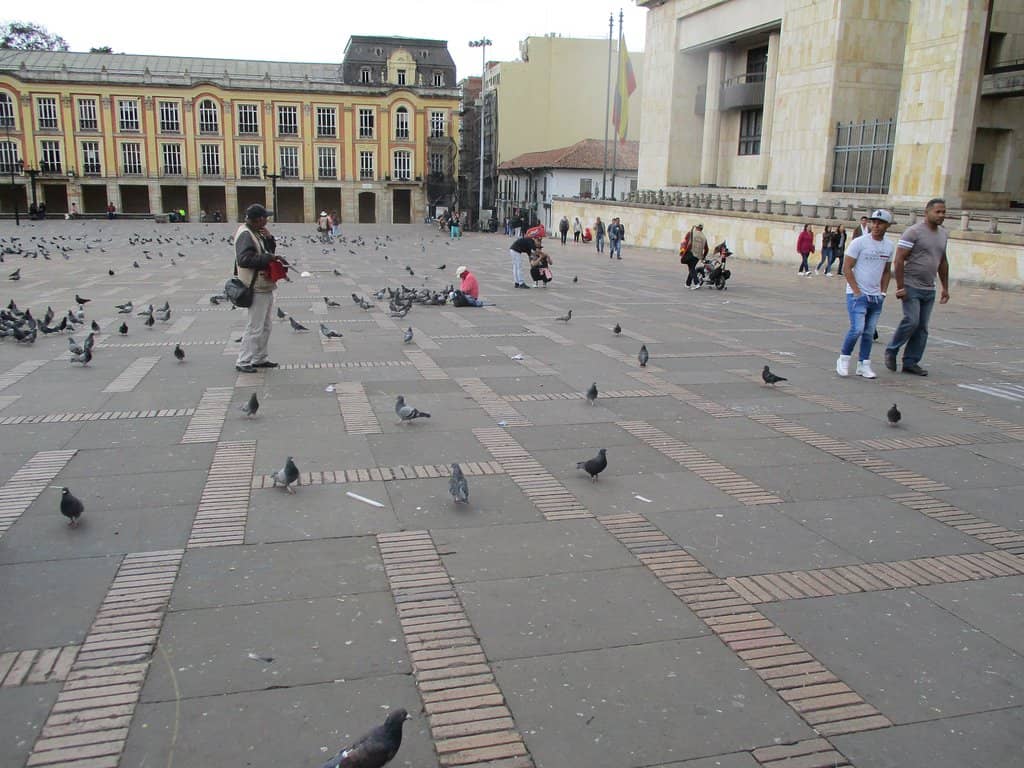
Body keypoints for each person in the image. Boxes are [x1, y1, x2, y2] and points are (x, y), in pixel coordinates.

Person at [885, 198, 950, 376]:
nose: (941, 215)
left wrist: (945, 287)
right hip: (910, 285)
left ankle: (911, 362)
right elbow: (899, 260)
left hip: (929, 288)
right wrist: (900, 286)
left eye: (943, 212)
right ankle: (892, 349)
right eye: (938, 212)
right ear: (926, 212)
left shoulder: (943, 234)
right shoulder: (913, 232)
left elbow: (943, 261)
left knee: (922, 327)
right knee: (912, 321)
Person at [836, 209, 893, 379]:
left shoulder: (889, 246)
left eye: (880, 223)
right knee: (857, 329)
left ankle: (864, 364)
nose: (875, 225)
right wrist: (856, 291)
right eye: (873, 222)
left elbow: (887, 271)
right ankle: (844, 358)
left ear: (887, 226)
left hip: (875, 295)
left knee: (869, 332)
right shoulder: (859, 242)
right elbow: (847, 267)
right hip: (858, 294)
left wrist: (883, 292)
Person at [234, 203, 286, 373]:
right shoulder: (245, 234)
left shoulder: (256, 232)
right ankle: (243, 360)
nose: (267, 220)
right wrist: (267, 258)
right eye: (265, 217)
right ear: (258, 219)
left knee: (265, 325)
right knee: (255, 326)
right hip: (255, 286)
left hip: (265, 285)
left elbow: (266, 250)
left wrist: (269, 239)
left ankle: (260, 358)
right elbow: (244, 259)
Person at [680, 223, 709, 289]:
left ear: (697, 227)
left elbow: (685, 242)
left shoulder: (691, 233)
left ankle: (697, 283)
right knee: (691, 267)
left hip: (690, 253)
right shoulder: (704, 237)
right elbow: (707, 249)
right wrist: (703, 257)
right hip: (698, 256)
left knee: (691, 268)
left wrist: (683, 252)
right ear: (702, 229)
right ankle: (688, 284)